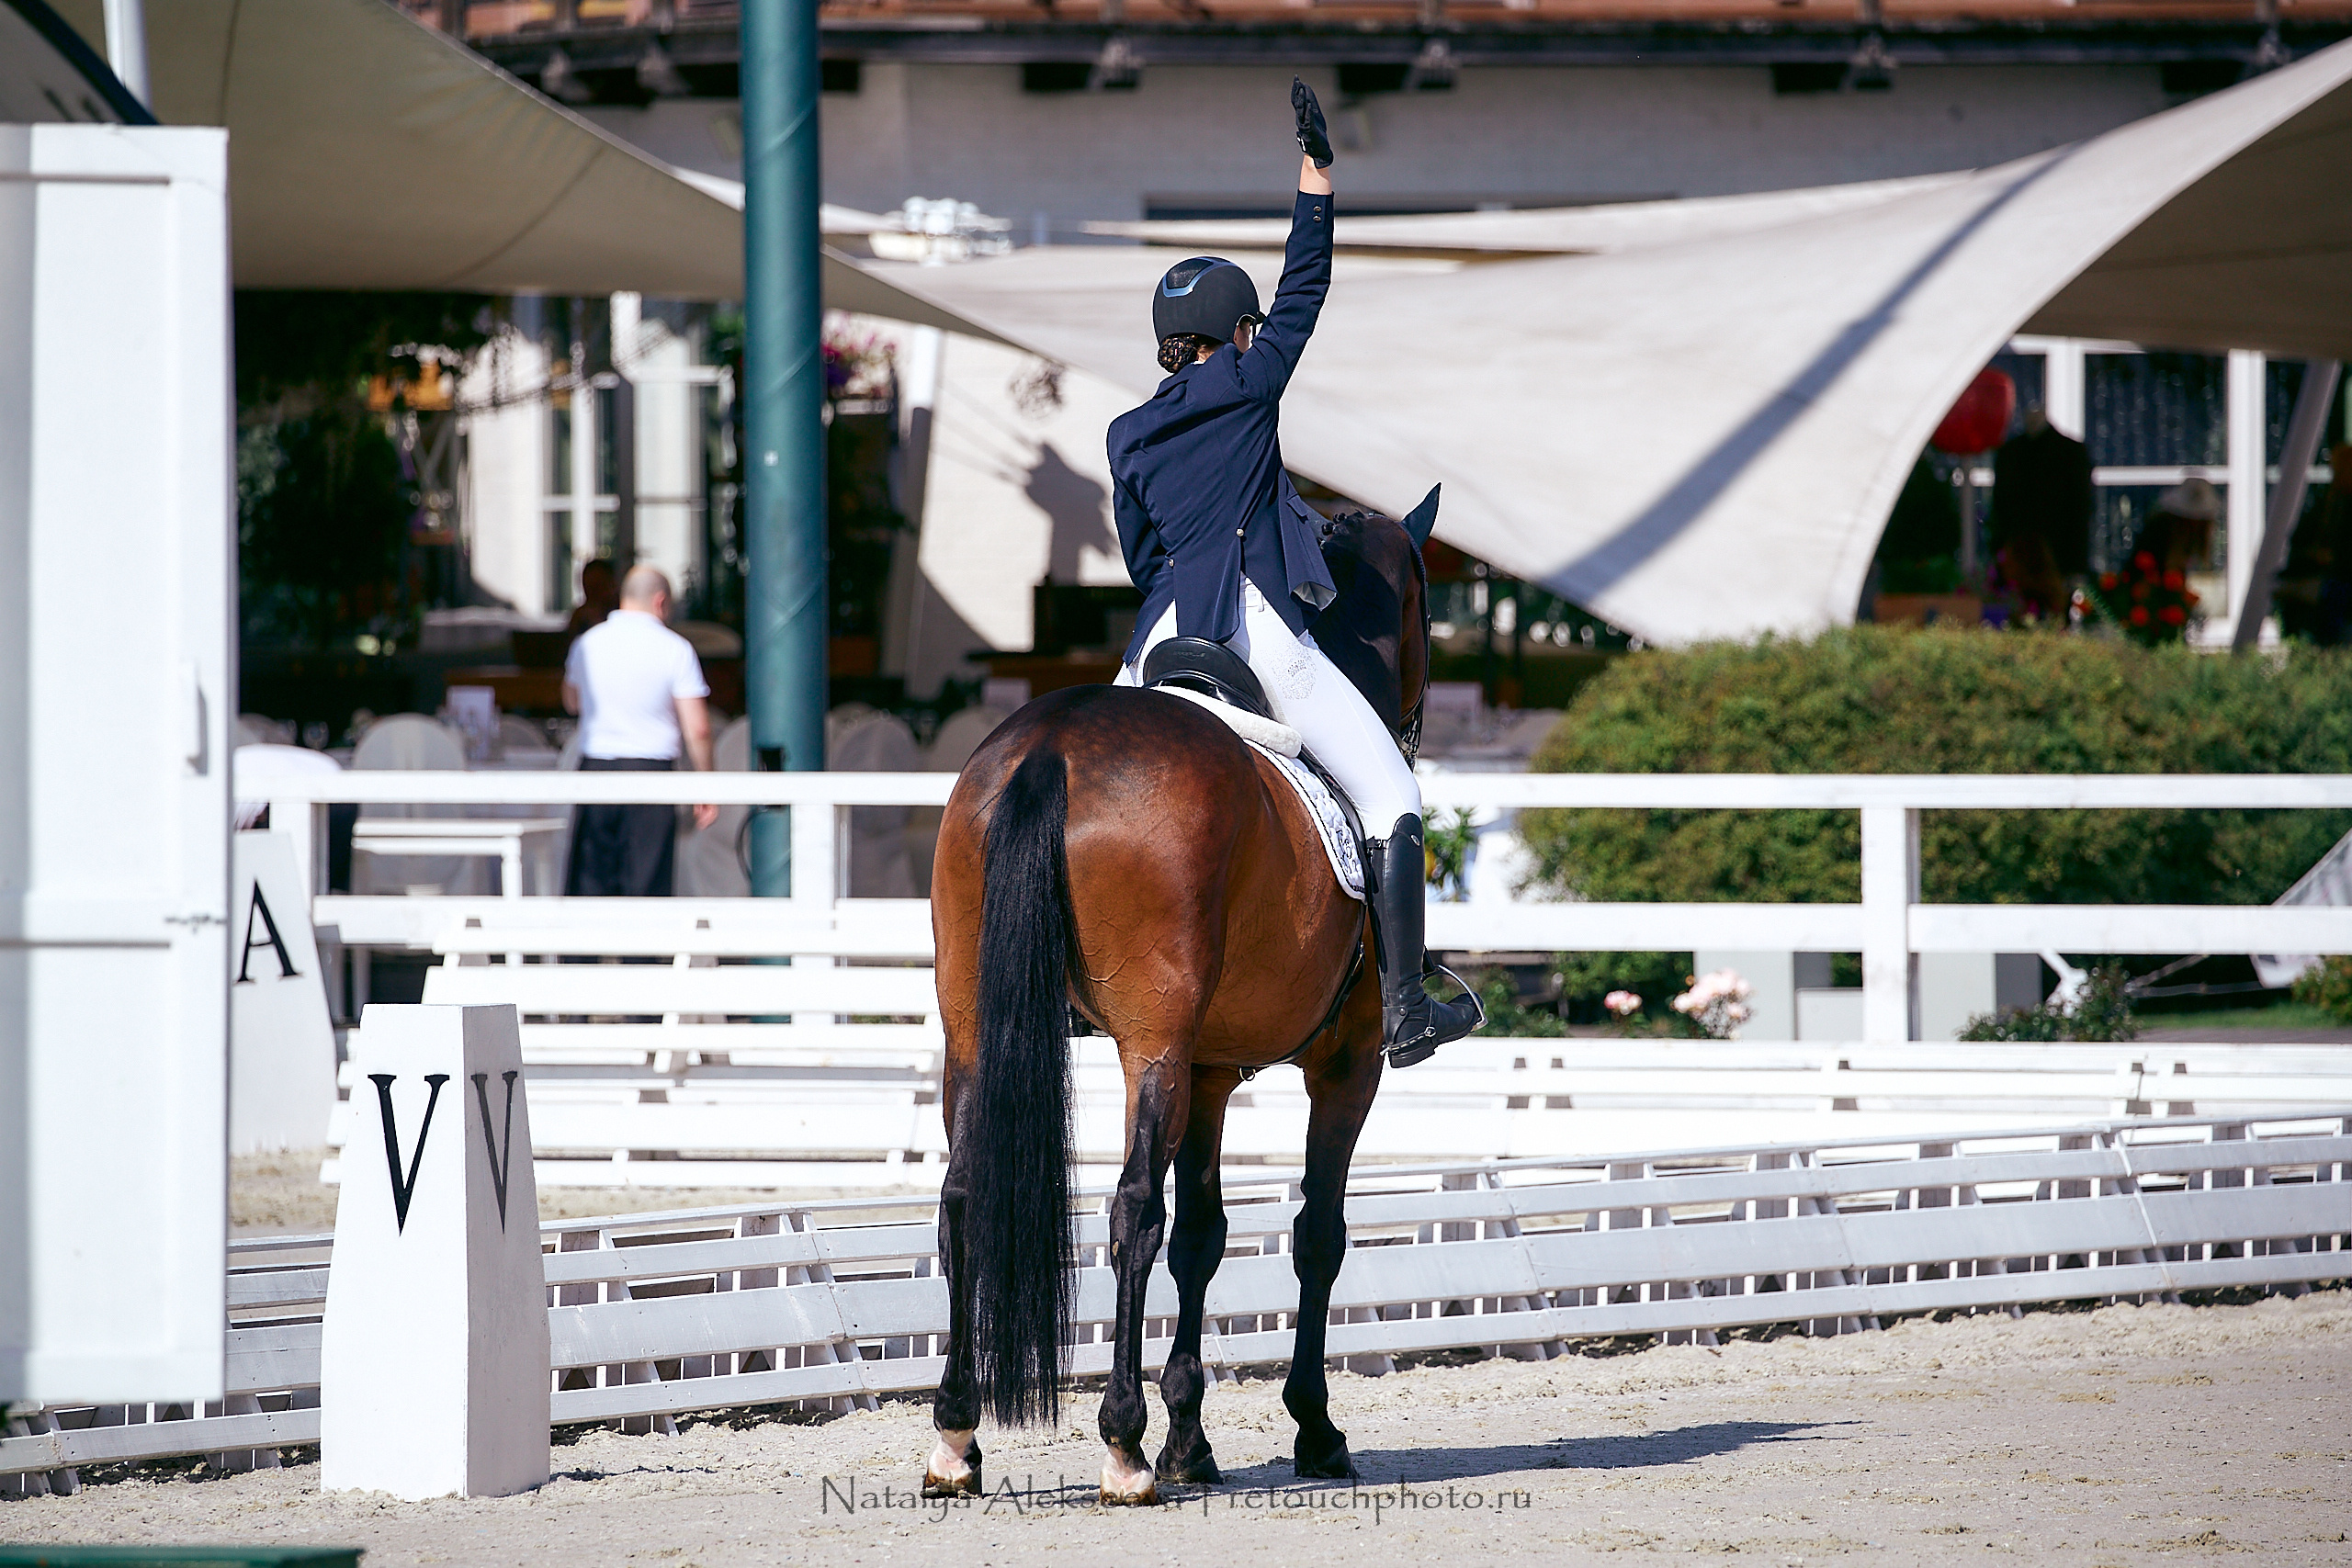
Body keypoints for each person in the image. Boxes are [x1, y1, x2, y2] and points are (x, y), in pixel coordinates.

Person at [1105, 77, 1479, 1066]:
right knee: (1394, 798)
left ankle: (1074, 985)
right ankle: (1405, 1008)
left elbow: (1140, 557)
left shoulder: (1127, 431)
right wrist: (1315, 178)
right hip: (1253, 630)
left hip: (1155, 642)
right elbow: (1305, 282)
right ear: (1236, 330)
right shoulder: (1249, 376)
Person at [561, 565, 718, 897]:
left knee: (589, 884)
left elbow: (571, 702)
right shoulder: (675, 648)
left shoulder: (588, 644)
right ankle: (641, 951)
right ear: (661, 602)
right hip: (652, 772)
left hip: (596, 768)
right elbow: (698, 728)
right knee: (646, 889)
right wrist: (705, 783)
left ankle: (582, 949)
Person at [566, 557, 621, 637]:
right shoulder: (580, 617)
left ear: (612, 584)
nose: (594, 594)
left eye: (599, 586)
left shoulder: (624, 614)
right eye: (589, 587)